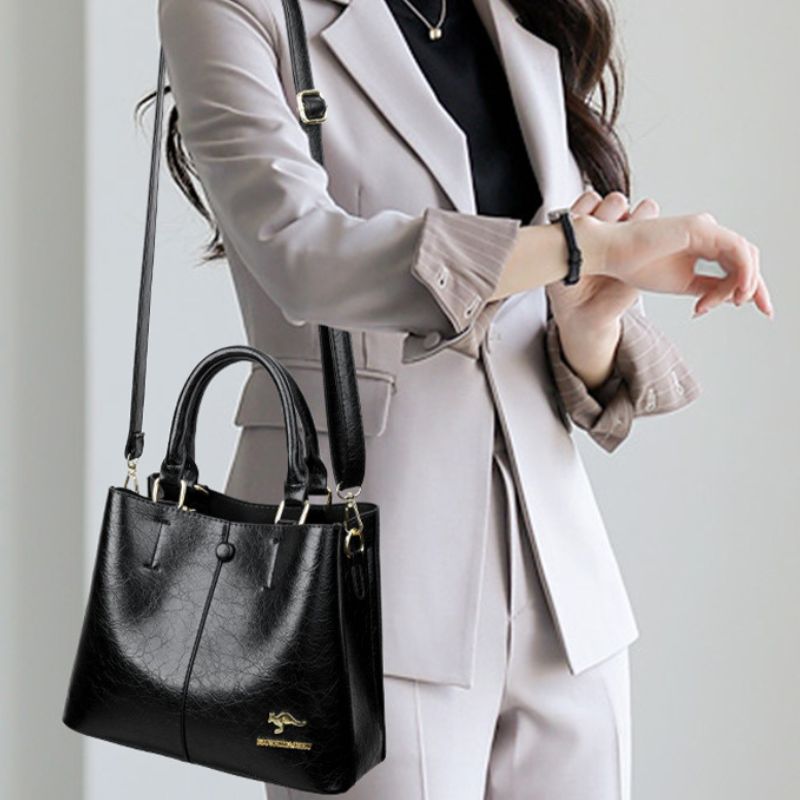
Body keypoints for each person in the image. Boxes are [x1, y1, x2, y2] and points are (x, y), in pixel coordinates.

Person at [153, 0, 772, 796]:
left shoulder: (519, 14)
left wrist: (589, 319)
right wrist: (584, 248)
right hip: (363, 569)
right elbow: (298, 253)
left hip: (562, 593)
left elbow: (550, 310)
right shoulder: (232, 9)